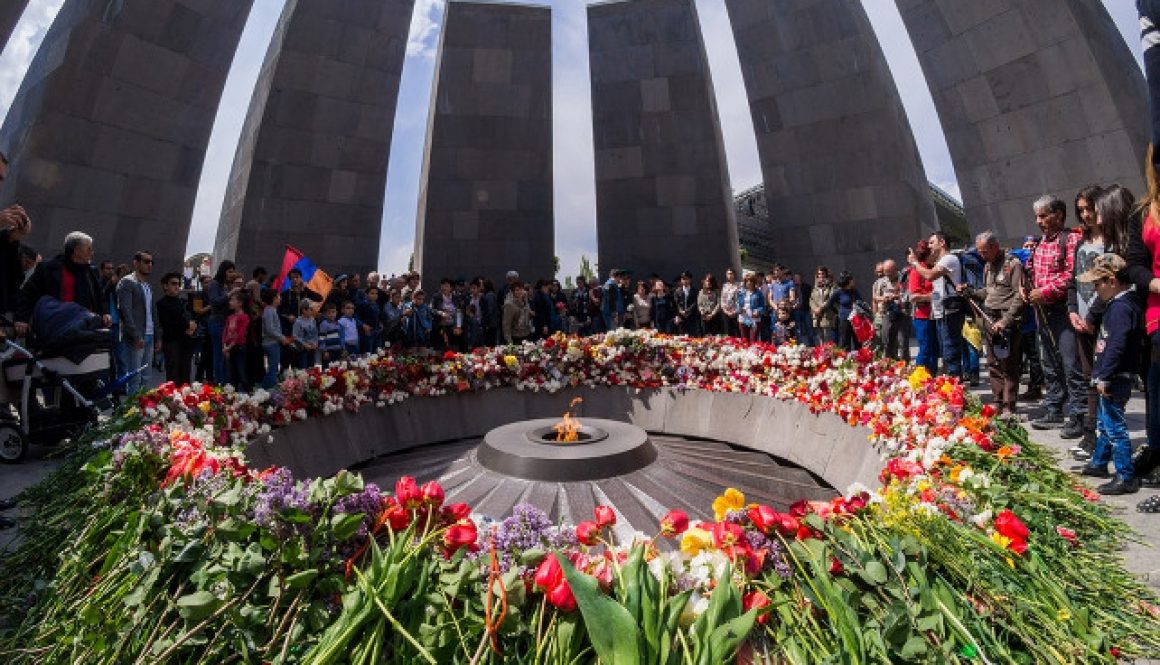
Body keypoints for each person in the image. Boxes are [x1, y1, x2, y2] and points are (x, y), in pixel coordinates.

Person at [1077, 254, 1141, 495]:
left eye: (1097, 283)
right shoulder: (1118, 304)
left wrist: (1104, 374)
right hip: (1109, 374)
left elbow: (1117, 344)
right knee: (1104, 423)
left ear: (1112, 281)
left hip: (1115, 376)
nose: (1095, 289)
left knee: (1114, 426)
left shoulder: (1122, 307)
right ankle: (1099, 462)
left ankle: (1126, 476)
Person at [1026, 196, 1083, 431]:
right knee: (1049, 362)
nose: (1038, 221)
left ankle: (1080, 415)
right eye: (1037, 217)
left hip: (1063, 310)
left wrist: (1045, 291)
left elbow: (1072, 275)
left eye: (1043, 216)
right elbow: (1033, 271)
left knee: (1071, 363)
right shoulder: (1040, 243)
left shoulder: (1071, 239)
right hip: (1042, 311)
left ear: (1058, 215)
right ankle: (1054, 408)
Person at [1067, 186, 1114, 450]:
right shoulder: (1081, 242)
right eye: (1081, 210)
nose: (1085, 214)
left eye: (1089, 208)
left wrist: (1093, 316)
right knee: (1088, 377)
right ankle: (1090, 434)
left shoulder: (1111, 240)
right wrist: (1073, 310)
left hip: (1103, 318)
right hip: (1081, 320)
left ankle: (1099, 435)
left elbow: (1112, 284)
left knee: (1102, 379)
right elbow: (1074, 282)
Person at [961, 232, 1025, 417]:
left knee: (1009, 364)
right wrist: (971, 292)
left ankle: (1009, 406)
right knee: (993, 363)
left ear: (995, 247)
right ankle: (997, 401)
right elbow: (988, 293)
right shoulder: (988, 266)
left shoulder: (1013, 264)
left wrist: (1005, 321)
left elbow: (1019, 296)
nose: (982, 256)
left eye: (984, 252)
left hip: (1007, 320)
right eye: (979, 252)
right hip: (989, 318)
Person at [16, 231, 109, 335]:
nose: (92, 252)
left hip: (85, 329)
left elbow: (100, 297)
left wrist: (105, 313)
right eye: (89, 249)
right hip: (55, 327)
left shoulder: (92, 272)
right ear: (77, 250)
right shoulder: (48, 269)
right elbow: (28, 294)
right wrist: (22, 319)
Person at [908, 232, 965, 378]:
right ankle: (950, 385)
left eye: (932, 242)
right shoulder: (940, 261)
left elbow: (929, 275)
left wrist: (914, 263)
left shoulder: (949, 259)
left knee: (950, 351)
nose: (929, 246)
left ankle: (955, 388)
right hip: (941, 312)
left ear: (942, 243)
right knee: (945, 352)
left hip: (950, 311)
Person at [116, 251, 161, 394]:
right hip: (136, 336)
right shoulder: (127, 282)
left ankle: (143, 412)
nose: (150, 265)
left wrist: (157, 337)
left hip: (149, 334)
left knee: (146, 378)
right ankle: (132, 412)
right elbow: (125, 311)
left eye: (151, 262)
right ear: (136, 263)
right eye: (146, 261)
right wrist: (136, 336)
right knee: (134, 377)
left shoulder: (148, 286)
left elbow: (154, 312)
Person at [156, 272, 196, 386]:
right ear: (165, 286)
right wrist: (187, 325)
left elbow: (190, 317)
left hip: (186, 342)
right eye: (173, 283)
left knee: (186, 376)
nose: (177, 286)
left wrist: (192, 325)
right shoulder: (161, 303)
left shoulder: (182, 302)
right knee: (173, 377)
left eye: (178, 284)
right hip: (172, 343)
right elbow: (169, 323)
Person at [907, 241, 938, 375]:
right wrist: (933, 296)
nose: (935, 255)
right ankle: (919, 376)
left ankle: (932, 375)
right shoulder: (918, 270)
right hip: (923, 316)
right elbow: (913, 296)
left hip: (934, 314)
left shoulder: (934, 268)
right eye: (933, 253)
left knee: (934, 349)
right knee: (925, 348)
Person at [206, 261, 238, 385]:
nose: (232, 274)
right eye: (230, 271)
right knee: (219, 354)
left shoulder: (226, 285)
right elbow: (214, 301)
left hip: (225, 323)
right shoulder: (214, 284)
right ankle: (219, 382)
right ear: (223, 271)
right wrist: (230, 294)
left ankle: (224, 381)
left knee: (225, 354)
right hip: (216, 323)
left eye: (233, 271)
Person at [873, 259, 909, 361]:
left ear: (895, 270)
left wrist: (897, 296)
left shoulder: (904, 278)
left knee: (903, 342)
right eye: (885, 272)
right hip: (888, 313)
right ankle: (890, 362)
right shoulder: (881, 281)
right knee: (887, 339)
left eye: (890, 273)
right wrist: (883, 298)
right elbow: (875, 297)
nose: (887, 275)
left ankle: (905, 364)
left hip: (903, 312)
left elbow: (909, 294)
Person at [824, 271, 864, 351]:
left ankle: (860, 360)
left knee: (858, 342)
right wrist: (838, 312)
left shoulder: (854, 291)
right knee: (845, 342)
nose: (853, 280)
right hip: (844, 320)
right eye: (851, 279)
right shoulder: (838, 292)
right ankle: (846, 361)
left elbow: (861, 302)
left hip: (856, 320)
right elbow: (829, 304)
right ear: (847, 281)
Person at [259, 289, 290, 389]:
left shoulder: (271, 310)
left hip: (273, 342)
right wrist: (281, 337)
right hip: (271, 343)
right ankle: (269, 388)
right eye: (278, 297)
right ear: (273, 299)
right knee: (273, 368)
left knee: (273, 367)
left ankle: (266, 387)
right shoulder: (269, 311)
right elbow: (270, 329)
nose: (280, 299)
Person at [222, 290, 252, 391]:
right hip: (229, 348)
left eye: (233, 300)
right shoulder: (230, 317)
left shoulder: (244, 317)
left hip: (239, 348)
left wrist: (228, 347)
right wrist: (225, 346)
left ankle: (247, 393)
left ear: (240, 303)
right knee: (231, 373)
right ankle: (232, 394)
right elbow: (225, 332)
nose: (230, 302)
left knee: (241, 372)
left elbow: (240, 335)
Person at [810, 267, 837, 344]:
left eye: (822, 273)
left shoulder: (831, 285)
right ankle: (821, 354)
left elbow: (831, 298)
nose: (820, 275)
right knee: (820, 339)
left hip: (827, 315)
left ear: (826, 274)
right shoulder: (816, 287)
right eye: (819, 274)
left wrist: (820, 308)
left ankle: (829, 355)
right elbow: (811, 299)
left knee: (828, 339)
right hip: (817, 316)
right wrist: (815, 309)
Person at [737, 274, 765, 343]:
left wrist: (758, 311)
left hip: (754, 320)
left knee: (753, 341)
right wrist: (740, 309)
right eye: (747, 281)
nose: (749, 282)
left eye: (751, 281)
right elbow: (737, 304)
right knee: (744, 341)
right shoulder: (741, 292)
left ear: (754, 282)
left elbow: (762, 306)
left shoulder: (759, 293)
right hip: (743, 319)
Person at [292, 299, 319, 368]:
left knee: (311, 368)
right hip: (302, 350)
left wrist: (315, 343)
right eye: (310, 309)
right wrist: (304, 344)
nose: (312, 311)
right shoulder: (298, 321)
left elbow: (315, 333)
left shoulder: (313, 320)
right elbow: (295, 336)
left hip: (312, 348)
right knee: (303, 368)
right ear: (304, 310)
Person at [673, 271, 700, 336]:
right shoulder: (677, 291)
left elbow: (695, 302)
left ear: (690, 280)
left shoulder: (695, 291)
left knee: (692, 336)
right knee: (682, 336)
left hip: (692, 316)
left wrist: (688, 311)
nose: (685, 281)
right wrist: (680, 311)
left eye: (686, 279)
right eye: (683, 279)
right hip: (681, 317)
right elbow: (676, 303)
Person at [720, 267, 740, 338]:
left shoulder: (739, 285)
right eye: (728, 274)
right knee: (728, 333)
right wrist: (725, 311)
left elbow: (739, 300)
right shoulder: (724, 286)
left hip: (735, 313)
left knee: (737, 333)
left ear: (734, 275)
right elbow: (722, 299)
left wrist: (735, 311)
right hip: (726, 312)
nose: (730, 275)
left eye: (731, 274)